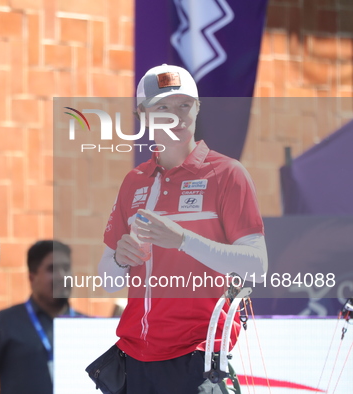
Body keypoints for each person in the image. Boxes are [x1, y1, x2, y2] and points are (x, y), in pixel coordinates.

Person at [97, 64, 268, 393]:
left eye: (184, 105)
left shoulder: (228, 174)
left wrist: (182, 240)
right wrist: (120, 258)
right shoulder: (134, 181)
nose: (175, 116)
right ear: (143, 116)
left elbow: (257, 265)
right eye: (163, 107)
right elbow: (107, 281)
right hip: (135, 359)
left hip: (198, 359)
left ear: (198, 108)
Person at [0, 240, 81, 394]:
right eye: (52, 269)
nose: (62, 276)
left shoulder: (87, 327)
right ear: (32, 277)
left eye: (66, 268)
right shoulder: (3, 323)